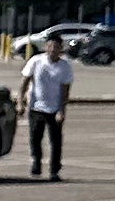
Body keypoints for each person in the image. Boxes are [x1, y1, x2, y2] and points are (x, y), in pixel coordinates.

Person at [24, 34, 77, 178]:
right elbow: (25, 81)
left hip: (54, 108)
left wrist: (62, 111)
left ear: (61, 49)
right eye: (50, 46)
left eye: (56, 47)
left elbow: (65, 91)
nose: (53, 49)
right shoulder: (36, 61)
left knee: (55, 140)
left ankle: (54, 170)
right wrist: (20, 102)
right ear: (46, 47)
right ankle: (36, 162)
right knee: (35, 137)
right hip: (36, 106)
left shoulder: (64, 66)